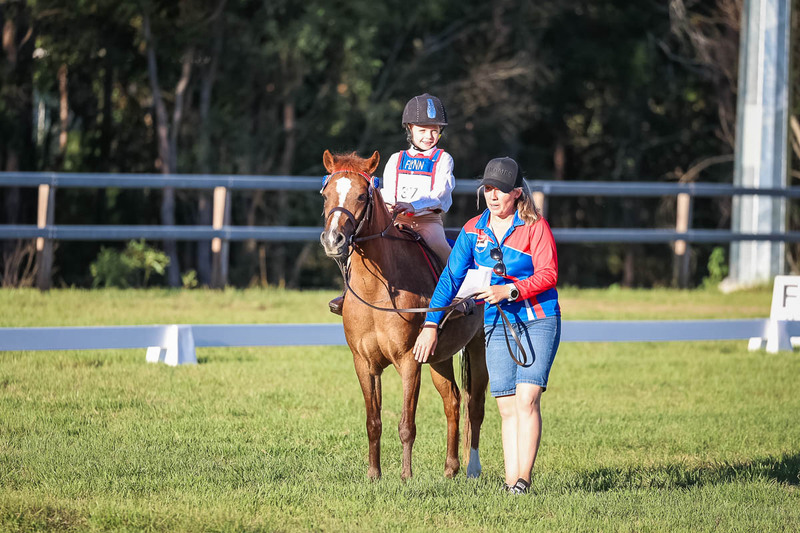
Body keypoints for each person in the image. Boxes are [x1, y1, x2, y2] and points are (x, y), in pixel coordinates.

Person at [412, 157, 561, 495]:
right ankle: (511, 483)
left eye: (501, 190)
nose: (493, 196)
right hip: (495, 320)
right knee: (506, 406)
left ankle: (523, 480)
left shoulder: (535, 227)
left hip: (538, 317)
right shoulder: (472, 230)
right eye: (489, 189)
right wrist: (431, 324)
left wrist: (510, 289)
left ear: (517, 194)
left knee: (527, 399)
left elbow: (549, 273)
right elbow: (451, 277)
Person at [329, 93, 455, 315]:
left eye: (434, 130)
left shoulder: (442, 159)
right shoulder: (397, 158)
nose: (429, 136)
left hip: (427, 222)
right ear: (410, 130)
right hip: (395, 221)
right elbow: (388, 191)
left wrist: (414, 206)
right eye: (423, 130)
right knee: (357, 247)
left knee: (442, 249)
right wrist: (387, 204)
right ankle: (347, 293)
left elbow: (441, 194)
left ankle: (458, 298)